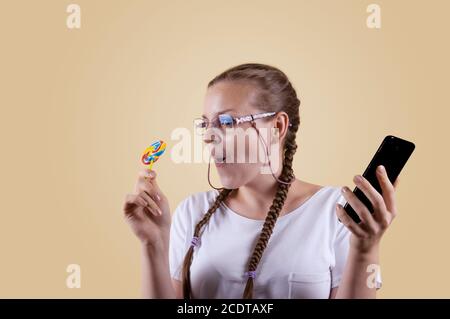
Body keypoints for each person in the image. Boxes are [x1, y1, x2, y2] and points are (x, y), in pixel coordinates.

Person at [123, 63, 400, 299]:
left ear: (277, 127)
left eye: (228, 122)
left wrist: (365, 248)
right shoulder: (191, 212)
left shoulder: (338, 212)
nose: (208, 136)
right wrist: (153, 243)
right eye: (206, 124)